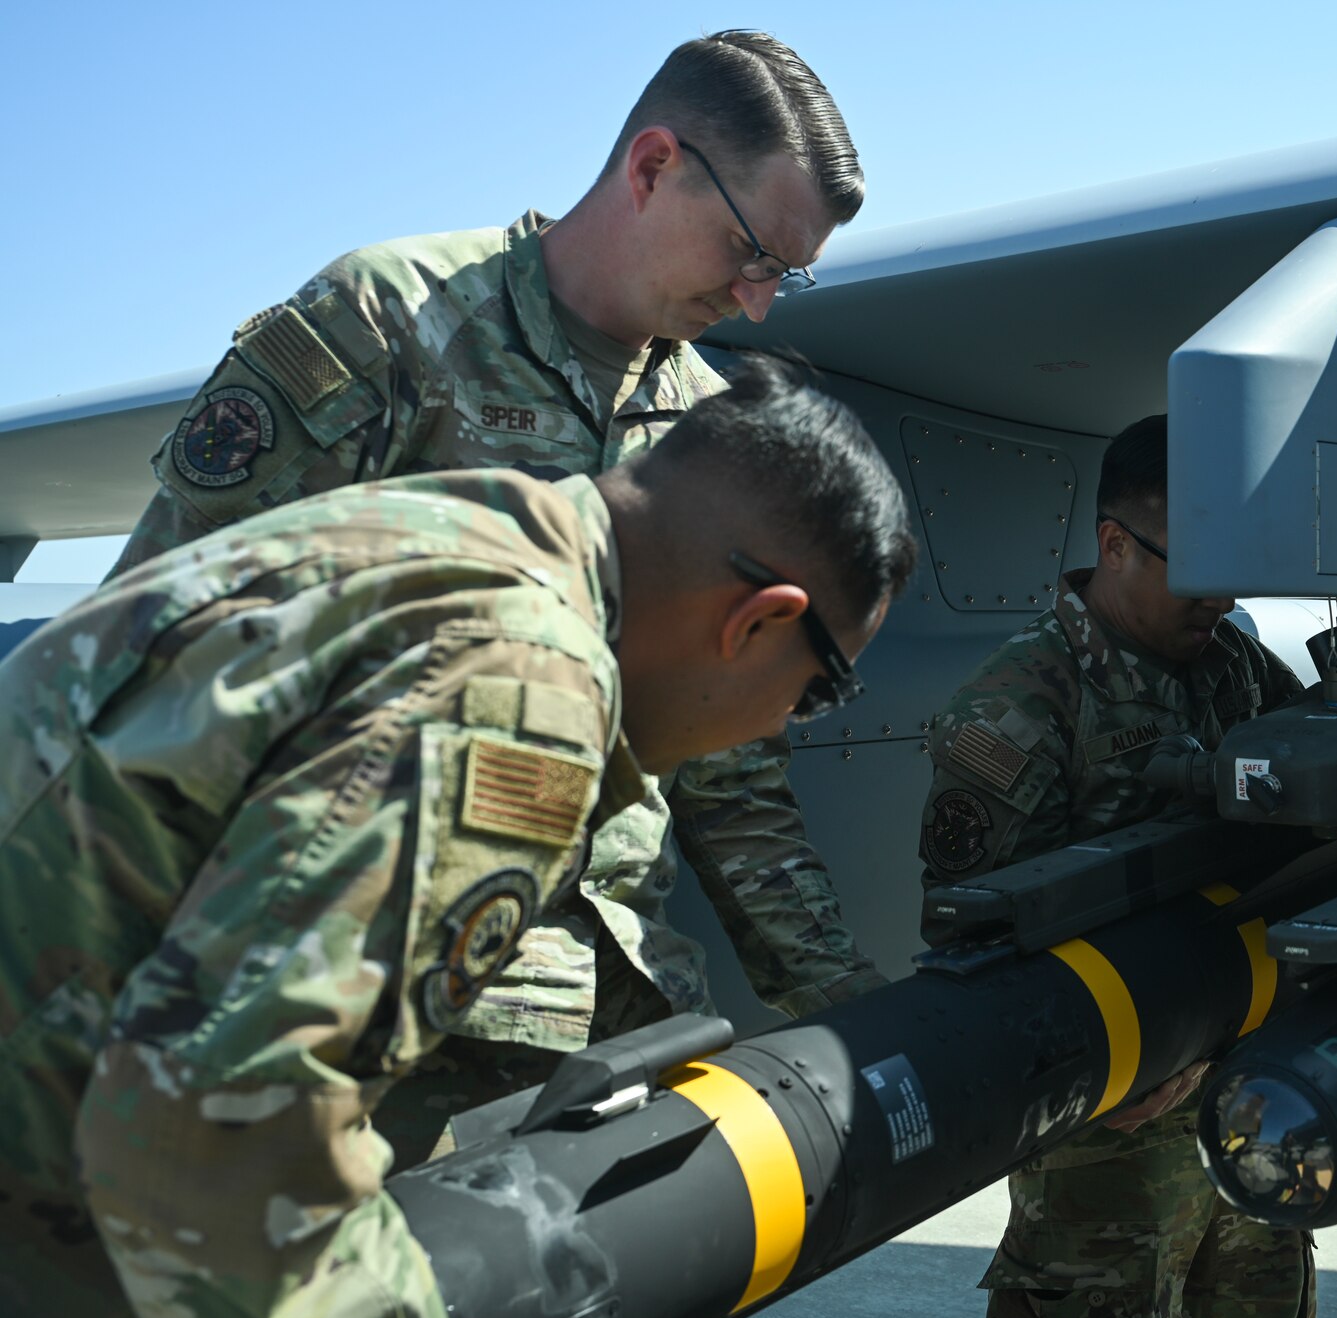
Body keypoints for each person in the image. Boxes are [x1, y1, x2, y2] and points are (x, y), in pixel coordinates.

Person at [0, 356, 916, 1318]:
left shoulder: (456, 534)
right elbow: (219, 1147)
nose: (780, 725)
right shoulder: (526, 690)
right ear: (760, 621)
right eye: (817, 690)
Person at [103, 31, 885, 1164]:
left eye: (786, 274)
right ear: (652, 164)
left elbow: (728, 757)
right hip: (371, 1025)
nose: (758, 303)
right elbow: (156, 647)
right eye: (750, 249)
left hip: (611, 1012)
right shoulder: (384, 327)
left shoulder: (714, 425)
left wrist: (839, 996)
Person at [917, 415, 1316, 1318]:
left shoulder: (1237, 671)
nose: (1221, 598)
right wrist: (1106, 1065)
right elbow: (976, 949)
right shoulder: (1019, 705)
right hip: (1110, 1146)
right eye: (1198, 568)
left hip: (1251, 1106)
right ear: (1114, 544)